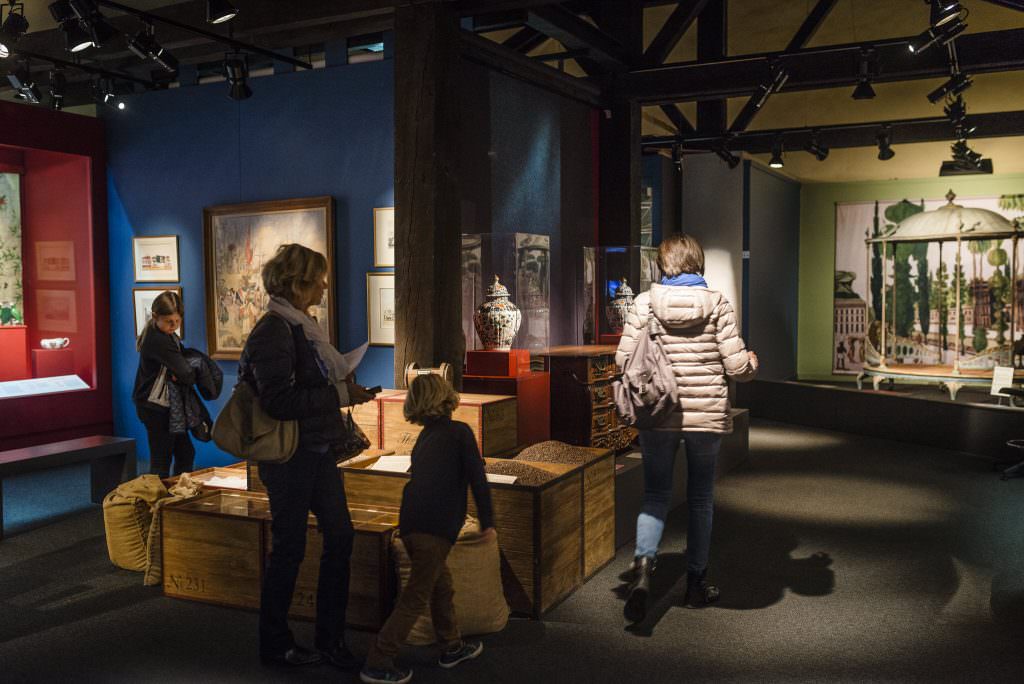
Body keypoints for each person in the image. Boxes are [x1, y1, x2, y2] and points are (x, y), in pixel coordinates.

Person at [239, 244, 376, 670]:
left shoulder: (300, 326)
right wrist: (338, 394)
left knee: (340, 537)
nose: (324, 285)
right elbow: (278, 401)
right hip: (290, 459)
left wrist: (341, 389)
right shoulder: (273, 331)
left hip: (314, 452)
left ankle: (329, 639)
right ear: (297, 283)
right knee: (290, 549)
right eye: (318, 278)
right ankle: (275, 644)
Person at [615, 234, 759, 623]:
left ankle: (644, 570)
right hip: (704, 415)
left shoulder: (644, 304)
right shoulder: (718, 305)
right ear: (698, 264)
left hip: (658, 413)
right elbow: (735, 369)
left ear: (663, 265)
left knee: (655, 494)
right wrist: (751, 362)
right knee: (699, 499)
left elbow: (623, 360)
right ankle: (695, 585)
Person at [360, 374, 496, 684]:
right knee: (416, 596)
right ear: (445, 397)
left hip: (411, 525)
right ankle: (378, 659)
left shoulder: (425, 438)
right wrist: (488, 522)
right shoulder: (460, 433)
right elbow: (477, 479)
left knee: (440, 585)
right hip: (434, 529)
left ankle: (452, 645)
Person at [132, 290, 196, 479]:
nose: (174, 326)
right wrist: (182, 373)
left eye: (177, 321)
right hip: (154, 408)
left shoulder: (165, 336)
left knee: (185, 454)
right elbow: (186, 372)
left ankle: (177, 500)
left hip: (165, 406)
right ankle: (158, 506)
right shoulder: (158, 340)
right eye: (169, 322)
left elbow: (182, 368)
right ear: (155, 317)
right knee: (161, 461)